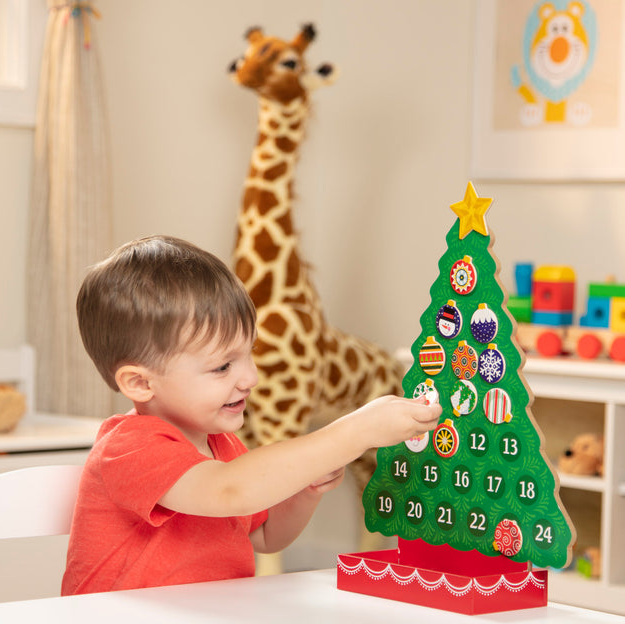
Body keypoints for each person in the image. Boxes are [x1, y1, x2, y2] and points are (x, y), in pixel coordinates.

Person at [61, 235, 441, 595]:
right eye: (223, 367)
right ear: (141, 383)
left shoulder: (222, 446)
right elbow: (230, 491)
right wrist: (356, 430)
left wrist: (304, 491)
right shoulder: (130, 448)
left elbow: (265, 537)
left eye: (249, 353)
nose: (251, 377)